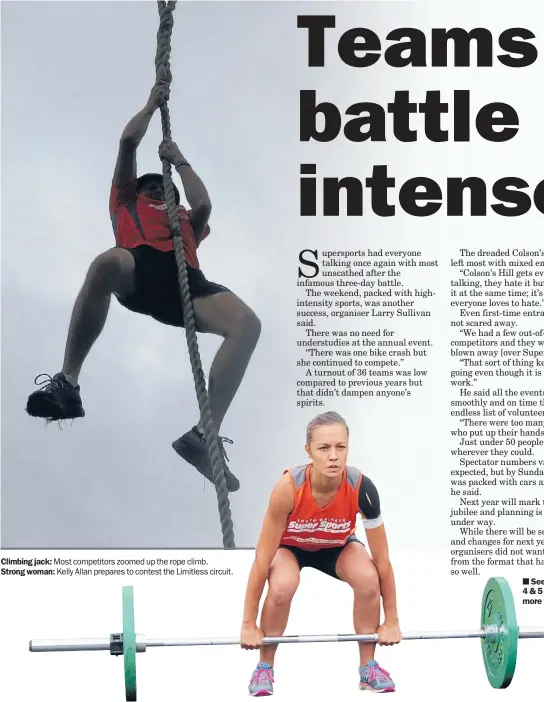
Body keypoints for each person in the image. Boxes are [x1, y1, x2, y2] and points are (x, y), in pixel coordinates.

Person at [25, 79, 261, 492]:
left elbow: (203, 204)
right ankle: (67, 383)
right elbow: (128, 141)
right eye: (153, 185)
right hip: (140, 268)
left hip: (187, 282)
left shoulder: (185, 220)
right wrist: (153, 103)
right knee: (104, 264)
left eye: (164, 187)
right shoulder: (126, 201)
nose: (158, 189)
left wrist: (180, 160)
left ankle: (204, 438)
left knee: (248, 325)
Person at [240, 411, 402, 695]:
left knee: (368, 578)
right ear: (308, 450)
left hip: (337, 546)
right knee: (282, 586)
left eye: (341, 447)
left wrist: (392, 621)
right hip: (291, 547)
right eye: (324, 448)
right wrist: (247, 625)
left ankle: (368, 669)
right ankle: (264, 667)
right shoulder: (287, 488)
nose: (333, 456)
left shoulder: (363, 488)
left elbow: (383, 561)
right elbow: (262, 560)